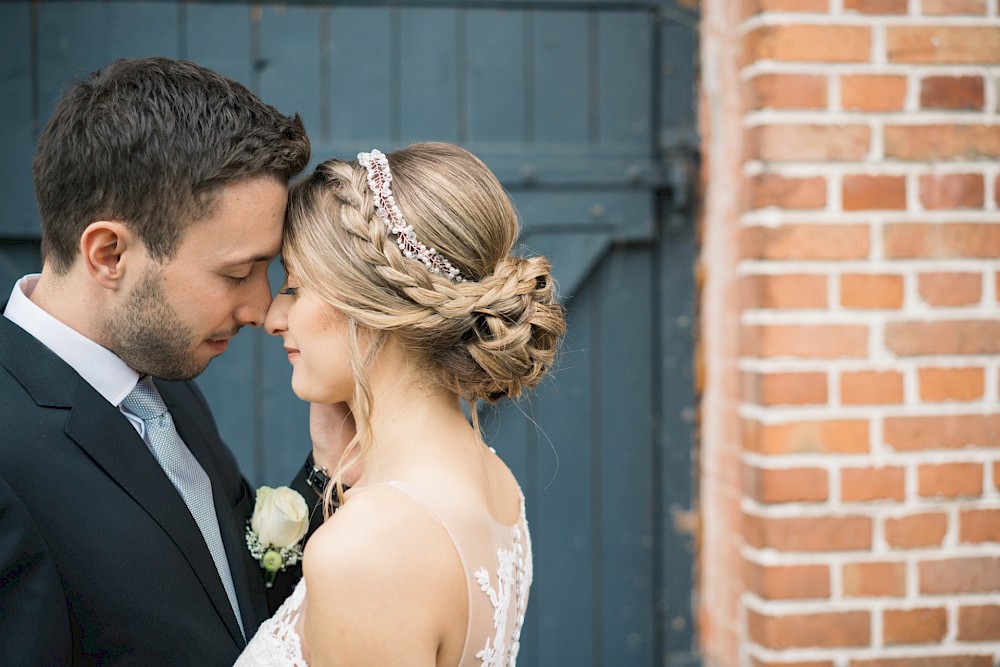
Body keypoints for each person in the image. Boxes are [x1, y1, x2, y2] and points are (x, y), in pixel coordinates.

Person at [0, 57, 319, 665]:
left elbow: (243, 611)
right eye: (237, 272)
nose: (260, 306)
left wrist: (330, 461)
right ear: (109, 253)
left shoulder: (168, 385)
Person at [236, 142, 566, 666]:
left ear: (373, 304)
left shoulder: (367, 549)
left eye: (295, 287)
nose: (273, 317)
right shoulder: (494, 482)